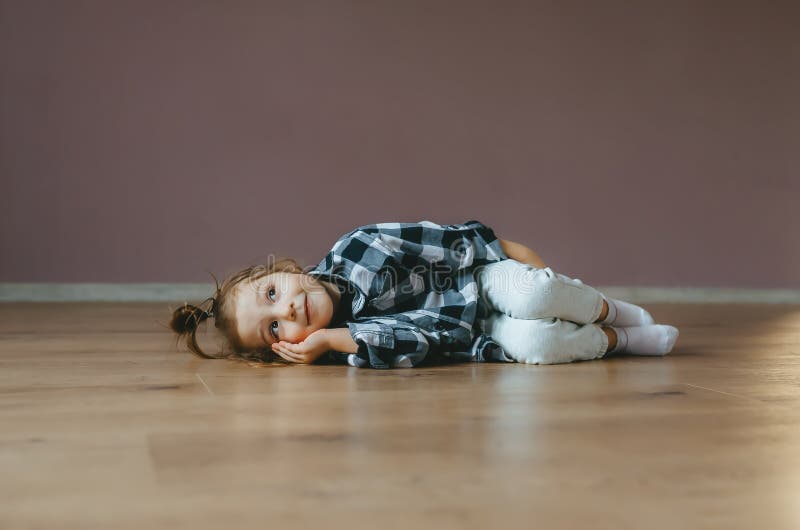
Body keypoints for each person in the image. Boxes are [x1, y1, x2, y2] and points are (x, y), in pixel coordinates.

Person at [169, 220, 679, 368]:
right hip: (477, 336)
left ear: (284, 270)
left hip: (478, 276)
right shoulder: (348, 347)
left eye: (274, 293)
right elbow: (419, 340)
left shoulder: (360, 247)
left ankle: (611, 309)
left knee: (530, 298)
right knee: (536, 347)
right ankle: (616, 341)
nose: (287, 309)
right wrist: (336, 340)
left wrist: (528, 267)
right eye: (274, 327)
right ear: (284, 348)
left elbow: (455, 243)